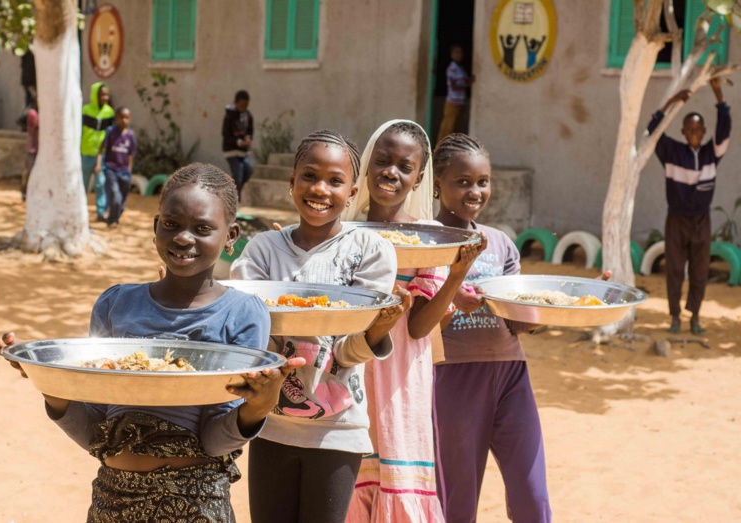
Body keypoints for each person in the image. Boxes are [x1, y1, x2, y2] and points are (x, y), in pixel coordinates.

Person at [0, 163, 304, 522]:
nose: (183, 238)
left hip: (195, 501)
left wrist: (258, 407)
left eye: (202, 228)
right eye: (171, 225)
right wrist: (51, 385)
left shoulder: (241, 313)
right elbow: (97, 430)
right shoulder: (117, 304)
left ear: (231, 235)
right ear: (156, 227)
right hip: (113, 499)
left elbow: (215, 441)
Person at [230, 129, 411, 523]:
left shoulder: (369, 250)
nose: (320, 189)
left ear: (352, 192)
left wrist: (377, 331)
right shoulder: (262, 250)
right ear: (291, 182)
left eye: (335, 180)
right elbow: (250, 329)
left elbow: (347, 350)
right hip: (271, 425)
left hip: (338, 429)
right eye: (309, 176)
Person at [343, 120, 485, 522]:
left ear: (419, 178)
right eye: (382, 161)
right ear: (367, 165)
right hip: (349, 368)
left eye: (404, 166)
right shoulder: (344, 233)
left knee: (396, 461)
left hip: (401, 374)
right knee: (350, 472)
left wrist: (456, 273)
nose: (391, 172)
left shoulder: (431, 237)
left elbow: (421, 326)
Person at [431, 133, 552, 523]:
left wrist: (551, 308)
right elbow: (415, 318)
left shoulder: (500, 243)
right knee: (457, 502)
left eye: (482, 181)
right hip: (453, 377)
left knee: (532, 495)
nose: (474, 191)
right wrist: (451, 299)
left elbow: (516, 321)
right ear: (437, 184)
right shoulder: (425, 241)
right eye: (462, 182)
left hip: (512, 376)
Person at [647, 78, 731, 334]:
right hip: (677, 220)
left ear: (704, 133)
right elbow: (654, 128)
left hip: (701, 221)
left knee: (700, 270)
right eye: (690, 130)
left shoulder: (711, 154)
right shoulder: (671, 152)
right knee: (674, 270)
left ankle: (694, 316)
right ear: (683, 132)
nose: (695, 135)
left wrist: (718, 93)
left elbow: (725, 128)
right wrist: (673, 102)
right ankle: (674, 317)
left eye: (699, 131)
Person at [97, 107, 136, 228]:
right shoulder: (110, 131)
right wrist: (98, 164)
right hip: (111, 169)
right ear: (117, 118)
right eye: (122, 117)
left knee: (122, 199)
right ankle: (112, 220)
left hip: (124, 171)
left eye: (127, 118)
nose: (124, 120)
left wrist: (129, 169)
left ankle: (115, 216)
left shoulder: (130, 135)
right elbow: (101, 148)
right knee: (115, 195)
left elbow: (130, 154)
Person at [82, 82, 115, 222]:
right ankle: (80, 210)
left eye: (106, 94)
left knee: (100, 183)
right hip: (85, 152)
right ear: (95, 95)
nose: (105, 97)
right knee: (83, 183)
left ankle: (100, 212)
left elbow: (110, 134)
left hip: (101, 154)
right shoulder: (86, 110)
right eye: (102, 94)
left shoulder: (110, 112)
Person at [436, 44, 473, 144]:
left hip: (460, 102)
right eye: (456, 53)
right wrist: (468, 84)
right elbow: (453, 86)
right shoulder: (452, 68)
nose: (459, 55)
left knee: (456, 127)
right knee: (447, 128)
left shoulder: (460, 68)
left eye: (460, 53)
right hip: (453, 102)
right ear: (452, 55)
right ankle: (440, 148)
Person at [222, 90, 254, 200]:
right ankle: (236, 199)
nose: (243, 108)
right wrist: (239, 142)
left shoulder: (247, 115)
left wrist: (248, 138)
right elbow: (225, 134)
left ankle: (233, 186)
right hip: (231, 151)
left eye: (246, 105)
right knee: (239, 170)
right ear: (235, 102)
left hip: (242, 152)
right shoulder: (229, 116)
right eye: (241, 105)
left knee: (248, 169)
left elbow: (250, 131)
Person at [20, 97, 38, 202]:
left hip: (39, 147)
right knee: (29, 171)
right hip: (32, 147)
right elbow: (36, 126)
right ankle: (25, 191)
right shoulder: (32, 113)